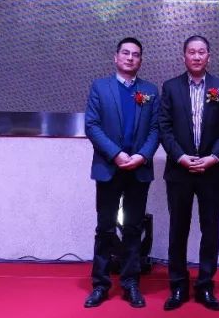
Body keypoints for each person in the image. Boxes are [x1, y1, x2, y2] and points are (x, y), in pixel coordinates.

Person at [157, 35, 219, 311]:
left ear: (209, 57)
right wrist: (180, 157)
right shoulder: (170, 87)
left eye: (202, 52)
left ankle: (205, 286)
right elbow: (164, 127)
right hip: (179, 171)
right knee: (178, 229)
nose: (197, 56)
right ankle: (178, 285)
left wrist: (213, 158)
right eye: (192, 52)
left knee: (210, 229)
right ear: (184, 57)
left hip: (212, 172)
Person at [83, 37, 161, 309]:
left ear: (141, 60)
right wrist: (116, 154)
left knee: (133, 228)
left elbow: (156, 129)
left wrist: (141, 156)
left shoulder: (150, 90)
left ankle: (130, 283)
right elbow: (92, 125)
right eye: (125, 53)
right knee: (105, 228)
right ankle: (100, 284)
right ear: (115, 57)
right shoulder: (100, 87)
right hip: (109, 167)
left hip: (139, 169)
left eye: (135, 54)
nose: (130, 58)